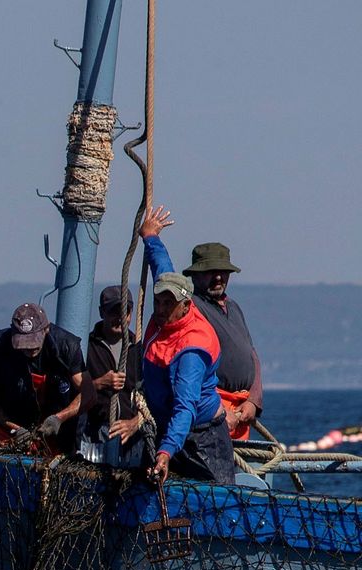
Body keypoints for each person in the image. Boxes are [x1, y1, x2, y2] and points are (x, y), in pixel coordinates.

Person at [140, 205, 265, 440]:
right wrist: (151, 237)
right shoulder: (189, 307)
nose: (218, 277)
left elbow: (251, 355)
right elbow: (163, 272)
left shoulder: (234, 308)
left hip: (241, 416)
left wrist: (253, 402)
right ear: (195, 275)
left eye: (223, 271)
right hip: (212, 415)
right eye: (210, 271)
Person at [114, 272, 235, 485]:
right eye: (157, 302)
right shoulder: (166, 319)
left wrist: (166, 451)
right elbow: (162, 265)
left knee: (215, 505)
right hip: (167, 428)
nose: (160, 310)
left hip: (202, 441)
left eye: (168, 304)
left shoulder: (191, 351)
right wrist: (151, 240)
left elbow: (185, 407)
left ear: (186, 306)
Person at [0, 301, 85, 452]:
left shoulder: (67, 346)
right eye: (23, 344)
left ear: (46, 329)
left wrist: (59, 418)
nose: (29, 349)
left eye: (34, 342)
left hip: (56, 432)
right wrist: (15, 429)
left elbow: (87, 394)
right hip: (10, 426)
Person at [82, 284, 145, 464]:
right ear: (102, 313)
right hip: (95, 433)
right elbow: (71, 391)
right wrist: (99, 383)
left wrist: (135, 423)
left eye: (125, 312)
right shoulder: (87, 347)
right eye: (113, 312)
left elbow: (149, 394)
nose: (120, 318)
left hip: (131, 435)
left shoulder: (140, 349)